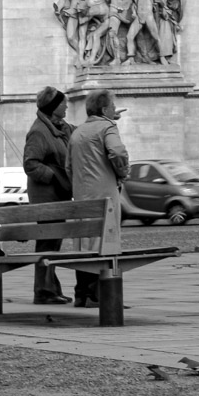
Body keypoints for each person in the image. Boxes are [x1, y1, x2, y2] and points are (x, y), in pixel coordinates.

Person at [66, 89, 130, 308]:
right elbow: (118, 152)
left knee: (84, 244)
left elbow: (68, 166)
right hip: (104, 195)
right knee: (106, 243)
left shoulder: (77, 132)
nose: (115, 109)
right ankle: (98, 294)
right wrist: (122, 173)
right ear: (104, 109)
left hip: (82, 196)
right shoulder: (107, 128)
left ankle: (81, 293)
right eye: (112, 106)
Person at [22, 86, 74, 305]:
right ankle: (43, 290)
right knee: (47, 243)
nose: (67, 106)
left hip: (57, 194)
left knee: (53, 243)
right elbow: (30, 163)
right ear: (54, 107)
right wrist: (53, 176)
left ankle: (49, 288)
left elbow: (79, 132)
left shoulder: (60, 127)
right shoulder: (39, 131)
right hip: (46, 196)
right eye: (63, 103)